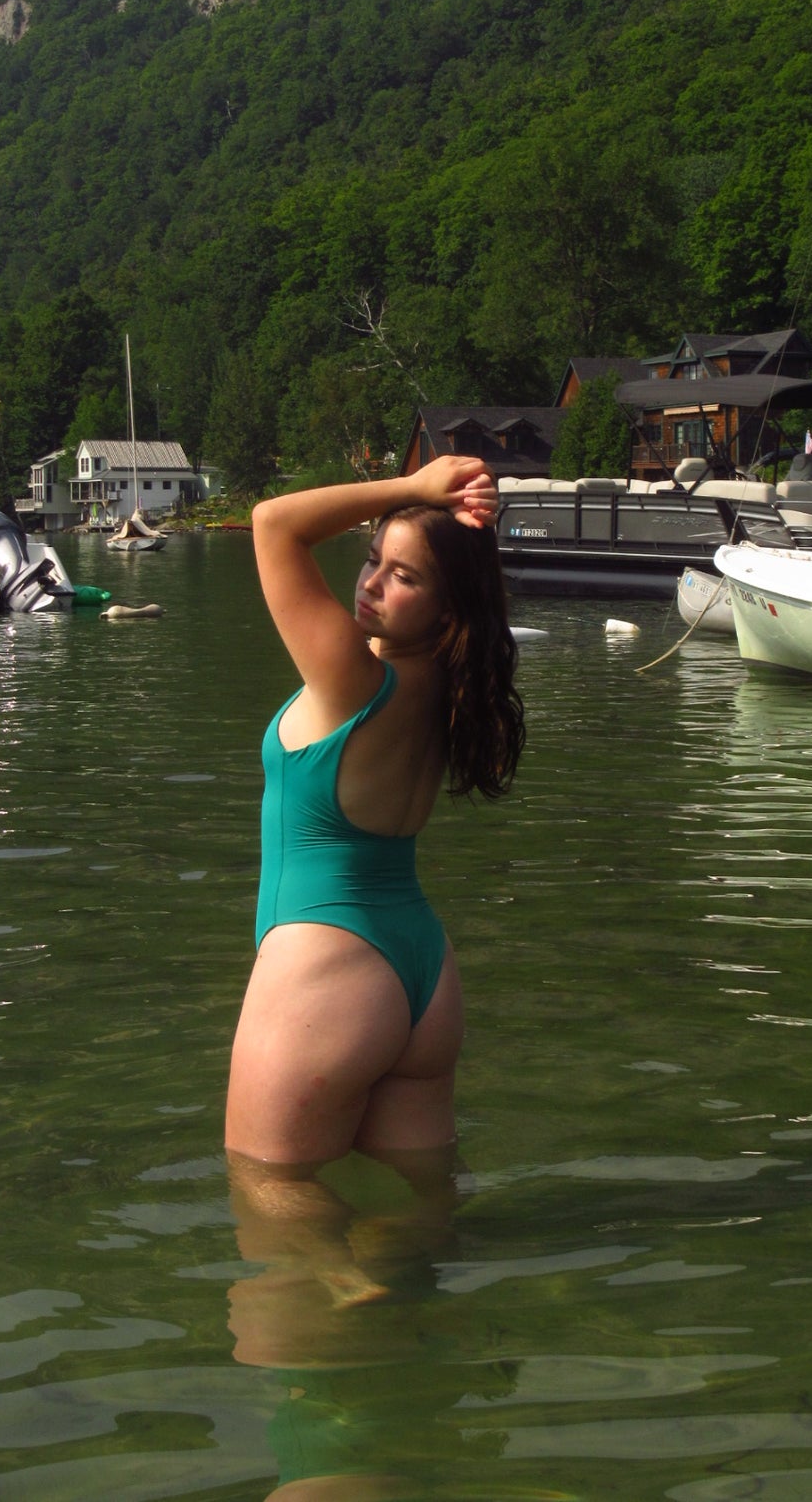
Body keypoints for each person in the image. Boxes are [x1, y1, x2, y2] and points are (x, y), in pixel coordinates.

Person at [226, 455, 525, 1176]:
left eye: (404, 576)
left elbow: (273, 523)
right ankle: (382, 1285)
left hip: (326, 973)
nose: (369, 583)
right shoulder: (452, 686)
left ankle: (347, 1283)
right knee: (422, 1213)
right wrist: (449, 511)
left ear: (446, 605)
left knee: (272, 1204)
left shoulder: (352, 677)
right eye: (370, 559)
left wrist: (416, 487)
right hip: (421, 975)